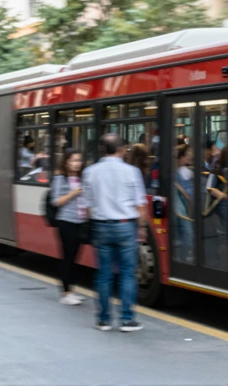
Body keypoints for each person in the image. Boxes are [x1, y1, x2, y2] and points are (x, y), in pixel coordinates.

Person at [83, 134, 147, 332]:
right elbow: (140, 204)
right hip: (126, 225)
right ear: (121, 149)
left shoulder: (90, 172)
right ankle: (127, 319)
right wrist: (142, 227)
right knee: (128, 272)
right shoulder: (132, 172)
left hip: (101, 225)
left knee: (104, 274)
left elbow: (87, 206)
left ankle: (103, 319)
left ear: (102, 150)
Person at [50, 148, 87, 306]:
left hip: (80, 221)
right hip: (66, 221)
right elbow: (55, 201)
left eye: (79, 160)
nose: (77, 164)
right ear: (66, 162)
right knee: (67, 257)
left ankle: (71, 290)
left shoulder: (81, 178)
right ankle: (65, 293)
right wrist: (74, 193)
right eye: (74, 160)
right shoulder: (60, 178)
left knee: (75, 257)